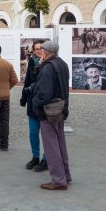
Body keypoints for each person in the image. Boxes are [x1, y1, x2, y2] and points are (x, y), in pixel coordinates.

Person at [32, 40, 72, 190]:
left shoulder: (48, 67)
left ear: (47, 52)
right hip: (60, 109)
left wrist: (35, 102)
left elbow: (45, 93)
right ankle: (65, 176)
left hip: (49, 111)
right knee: (60, 144)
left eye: (42, 50)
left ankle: (58, 180)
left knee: (51, 147)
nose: (40, 52)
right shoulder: (62, 63)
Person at [20, 39, 47, 172]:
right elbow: (28, 81)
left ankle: (46, 159)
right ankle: (35, 156)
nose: (39, 51)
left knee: (47, 134)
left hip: (45, 104)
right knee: (33, 133)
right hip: (32, 102)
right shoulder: (31, 61)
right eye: (37, 49)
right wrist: (23, 98)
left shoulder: (49, 63)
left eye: (41, 48)